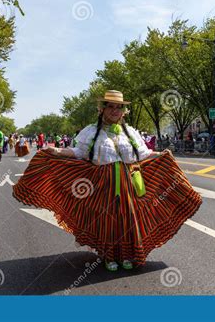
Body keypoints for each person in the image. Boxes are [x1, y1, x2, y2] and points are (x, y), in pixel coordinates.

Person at [13, 90, 202, 271]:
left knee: (128, 218)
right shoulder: (91, 131)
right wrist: (56, 151)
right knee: (107, 220)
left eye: (118, 107)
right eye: (110, 106)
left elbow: (143, 154)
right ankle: (110, 255)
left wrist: (162, 155)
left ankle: (128, 255)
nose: (114, 111)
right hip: (101, 184)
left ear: (123, 111)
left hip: (129, 183)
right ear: (102, 109)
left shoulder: (131, 133)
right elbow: (79, 153)